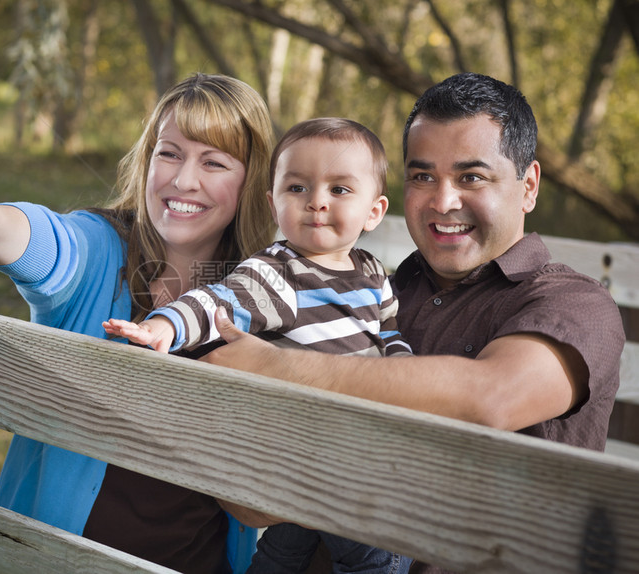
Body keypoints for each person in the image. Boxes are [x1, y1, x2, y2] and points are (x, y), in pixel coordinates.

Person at [201, 73, 626, 573]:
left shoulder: (574, 304)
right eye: (423, 177)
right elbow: (249, 498)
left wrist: (276, 367)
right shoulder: (375, 293)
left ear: (528, 186)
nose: (443, 201)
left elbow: (489, 398)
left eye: (472, 176)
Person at [0, 73, 277, 574]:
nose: (183, 180)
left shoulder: (264, 294)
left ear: (254, 180)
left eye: (213, 162)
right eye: (169, 153)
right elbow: (50, 243)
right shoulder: (102, 251)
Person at [104, 117, 413, 574]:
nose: (317, 203)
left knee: (317, 554)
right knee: (363, 554)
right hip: (298, 459)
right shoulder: (276, 273)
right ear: (273, 203)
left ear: (374, 211)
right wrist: (166, 326)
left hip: (354, 453)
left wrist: (404, 376)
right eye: (297, 188)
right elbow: (217, 302)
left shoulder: (371, 274)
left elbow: (389, 333)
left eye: (340, 190)